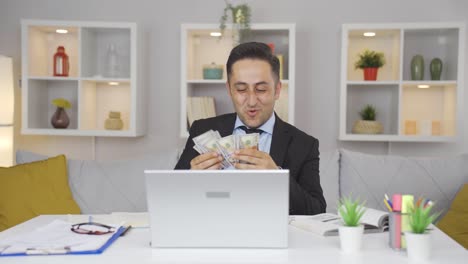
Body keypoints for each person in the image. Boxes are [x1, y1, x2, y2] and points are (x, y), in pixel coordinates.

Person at [175, 42, 326, 215]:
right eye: (241, 89)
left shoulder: (304, 145)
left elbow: (317, 211)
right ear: (229, 90)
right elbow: (169, 198)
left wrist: (277, 176)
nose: (252, 101)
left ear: (277, 90)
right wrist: (189, 179)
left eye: (261, 89)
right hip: (212, 231)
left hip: (270, 235)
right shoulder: (201, 129)